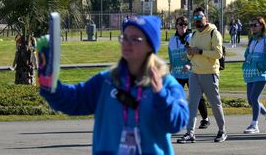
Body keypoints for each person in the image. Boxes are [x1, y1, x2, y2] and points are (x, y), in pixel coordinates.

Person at [40, 15, 188, 154]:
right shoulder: (107, 81)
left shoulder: (167, 83)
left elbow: (176, 123)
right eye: (124, 38)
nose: (127, 43)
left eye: (135, 39)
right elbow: (73, 101)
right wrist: (50, 86)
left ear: (150, 46)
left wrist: (161, 95)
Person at [177, 7, 227, 144]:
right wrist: (189, 52)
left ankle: (222, 131)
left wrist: (199, 51)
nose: (198, 20)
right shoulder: (194, 35)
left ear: (206, 18)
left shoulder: (214, 33)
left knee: (215, 103)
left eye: (200, 17)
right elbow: (191, 53)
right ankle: (190, 133)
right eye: (195, 18)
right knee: (192, 104)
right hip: (195, 73)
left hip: (210, 73)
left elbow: (218, 54)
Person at [168, 16, 210, 129]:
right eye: (181, 24)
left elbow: (196, 55)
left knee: (197, 96)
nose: (183, 27)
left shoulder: (192, 38)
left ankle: (205, 119)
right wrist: (170, 71)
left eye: (185, 25)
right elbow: (171, 57)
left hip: (192, 72)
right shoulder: (172, 40)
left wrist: (189, 64)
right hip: (177, 73)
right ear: (176, 25)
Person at [242, 16, 266, 134]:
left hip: (261, 74)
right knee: (251, 101)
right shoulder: (252, 40)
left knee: (254, 98)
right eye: (251, 25)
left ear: (262, 26)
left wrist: (260, 67)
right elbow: (247, 54)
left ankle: (254, 125)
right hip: (251, 73)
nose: (253, 27)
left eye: (255, 25)